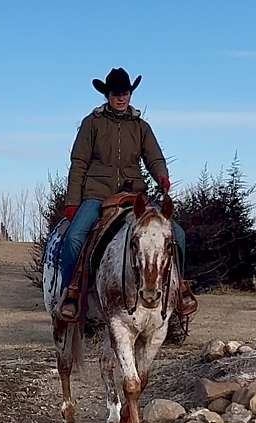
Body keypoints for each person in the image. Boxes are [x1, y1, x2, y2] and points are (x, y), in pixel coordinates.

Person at [57, 67, 197, 320]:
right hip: (97, 194)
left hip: (135, 196)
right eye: (116, 94)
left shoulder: (141, 127)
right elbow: (78, 162)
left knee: (177, 234)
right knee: (74, 238)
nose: (121, 98)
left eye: (125, 93)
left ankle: (180, 288)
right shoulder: (92, 124)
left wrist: (162, 176)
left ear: (130, 94)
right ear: (107, 95)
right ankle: (72, 293)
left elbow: (154, 157)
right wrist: (72, 203)